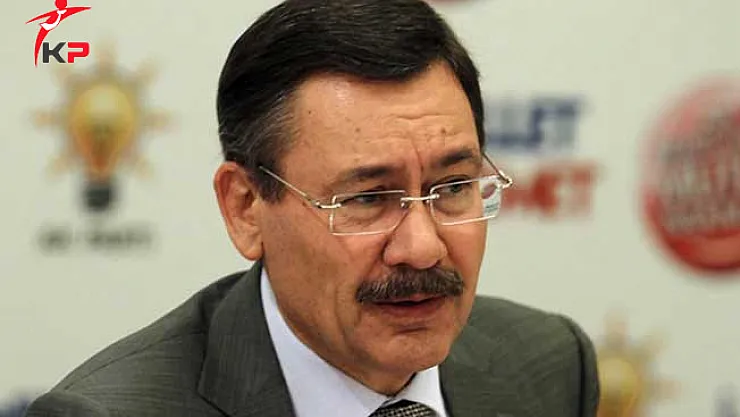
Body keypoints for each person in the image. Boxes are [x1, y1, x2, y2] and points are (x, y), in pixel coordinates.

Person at [25, 1, 600, 416]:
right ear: (246, 208)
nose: (423, 247)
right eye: (367, 198)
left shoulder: (551, 367)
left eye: (452, 187)